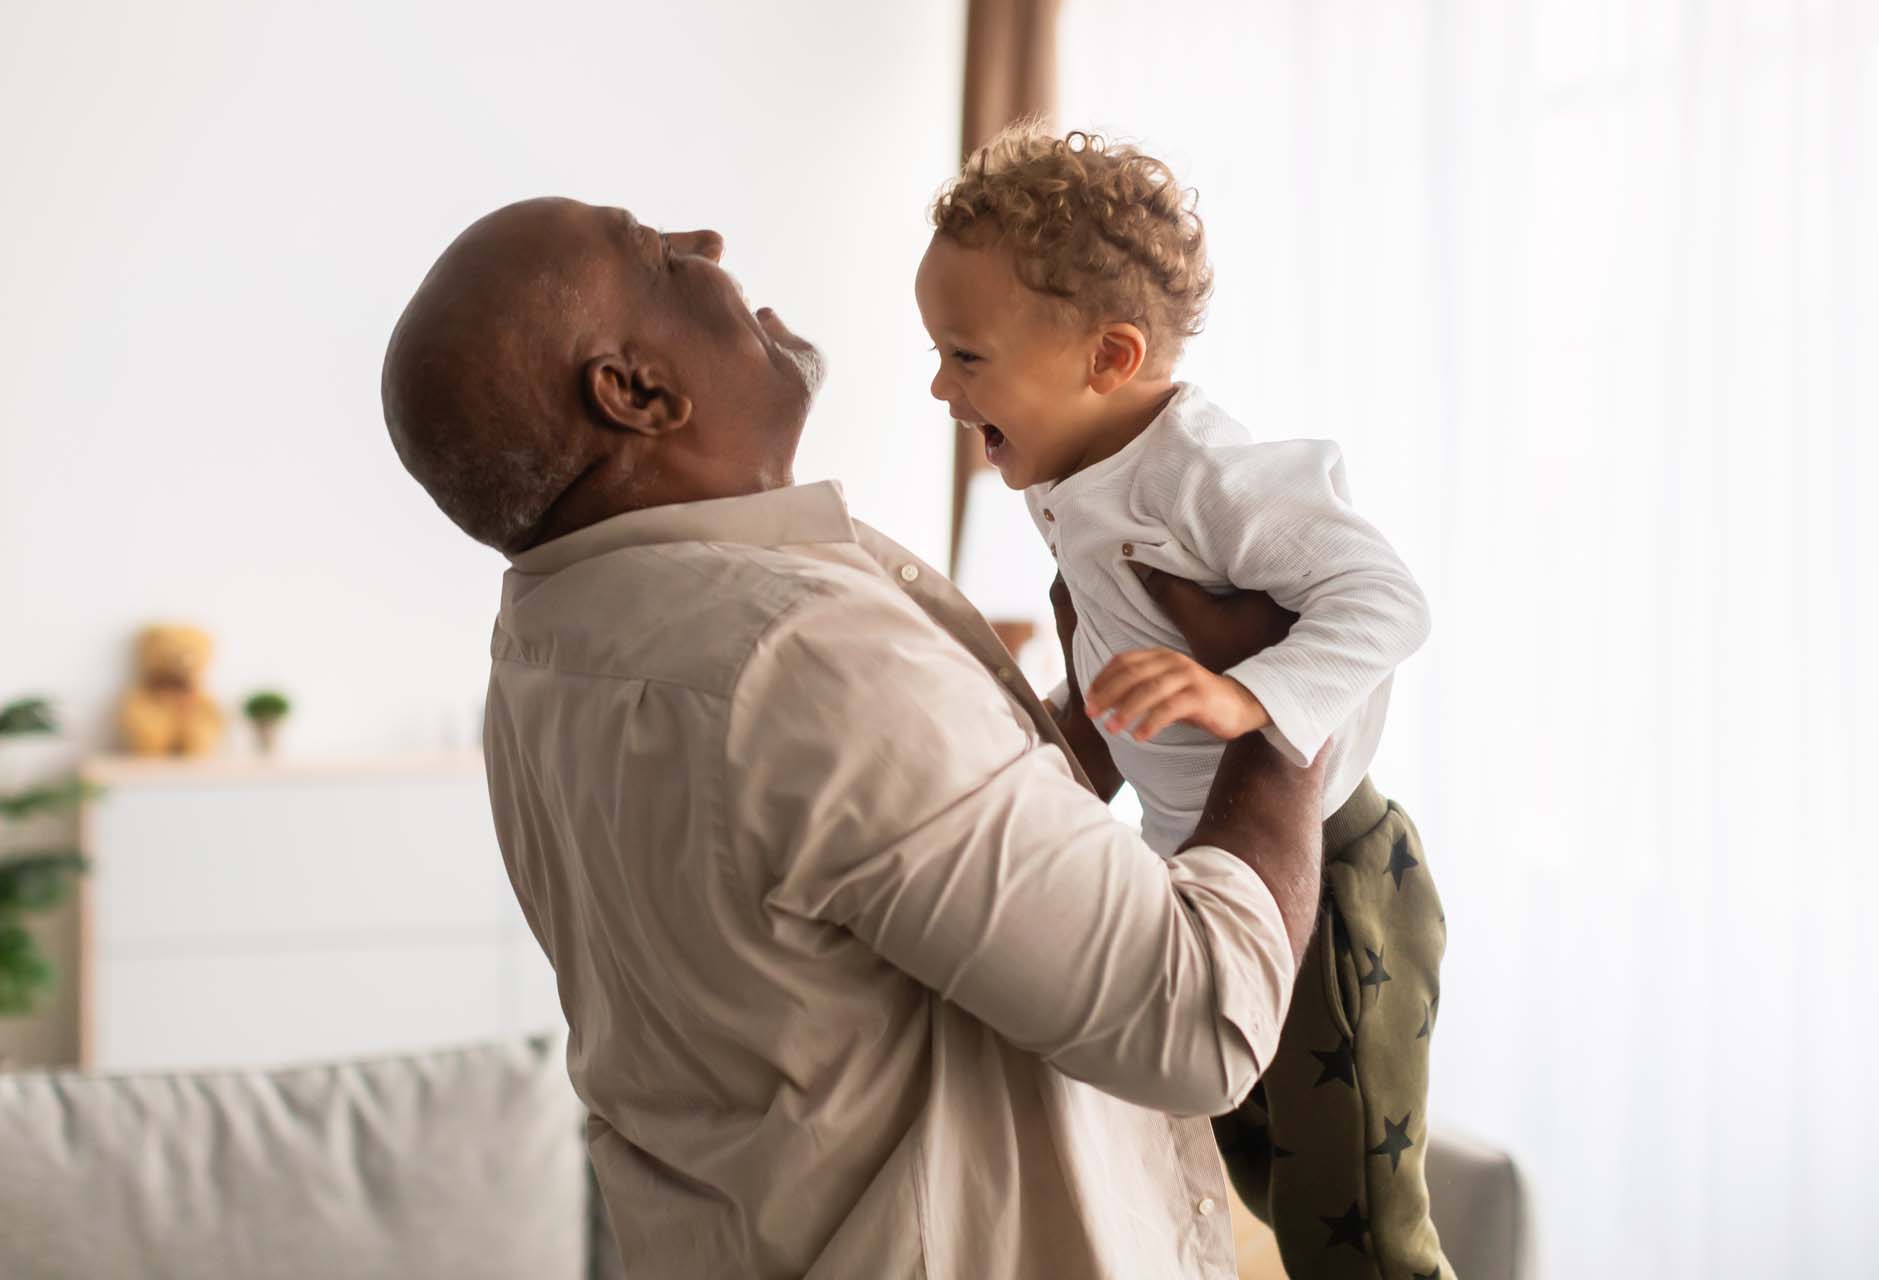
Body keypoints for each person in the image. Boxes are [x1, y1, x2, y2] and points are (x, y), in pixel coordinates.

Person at [381, 196, 1325, 1278]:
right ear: (635, 391)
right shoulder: (797, 656)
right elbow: (1201, 1017)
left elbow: (885, 894)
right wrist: (1283, 699)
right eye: (655, 256)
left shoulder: (547, 646)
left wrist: (1089, 723)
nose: (708, 245)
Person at [914, 124, 1453, 1280]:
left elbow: (1389, 598)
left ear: (1108, 357)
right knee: (1254, 1171)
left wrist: (1244, 692)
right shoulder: (1077, 478)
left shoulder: (1205, 474)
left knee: (1358, 1231)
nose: (940, 387)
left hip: (1340, 873)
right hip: (1213, 877)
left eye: (966, 357)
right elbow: (1118, 672)